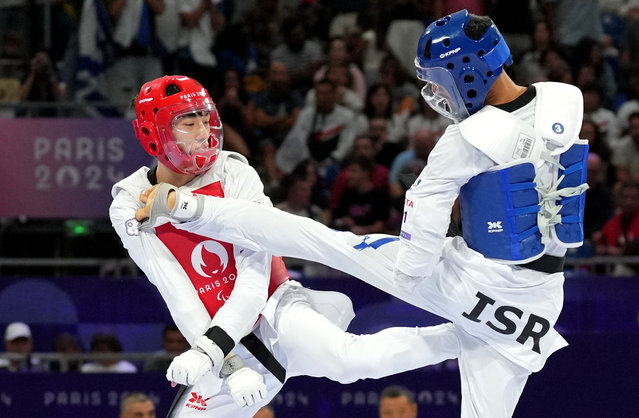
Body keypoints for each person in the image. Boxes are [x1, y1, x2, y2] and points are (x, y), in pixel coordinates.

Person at [137, 11, 589, 417]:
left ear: (466, 72)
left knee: (321, 240)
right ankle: (477, 331)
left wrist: (401, 269)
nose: (435, 92)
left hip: (472, 285)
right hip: (540, 298)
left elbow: (418, 246)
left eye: (437, 80)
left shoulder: (465, 140)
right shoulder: (563, 102)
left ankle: (186, 206)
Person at [113, 75, 459, 417]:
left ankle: (466, 338)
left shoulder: (234, 173)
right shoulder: (128, 203)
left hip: (275, 309)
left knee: (348, 360)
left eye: (206, 119)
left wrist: (210, 352)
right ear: (153, 133)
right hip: (220, 342)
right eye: (189, 123)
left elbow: (255, 277)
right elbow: (176, 291)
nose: (204, 133)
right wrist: (228, 363)